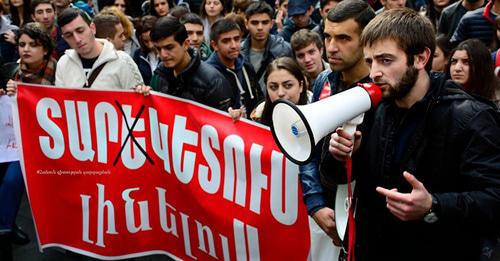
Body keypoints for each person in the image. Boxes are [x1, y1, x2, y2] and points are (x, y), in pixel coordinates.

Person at [321, 8, 500, 260]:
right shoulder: (373, 107)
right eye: (370, 61)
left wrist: (433, 205)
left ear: (420, 58)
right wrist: (342, 154)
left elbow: (493, 199)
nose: (374, 73)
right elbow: (334, 178)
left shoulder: (471, 117)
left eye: (386, 60)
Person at [301, 0, 375, 248]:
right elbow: (308, 146)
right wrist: (315, 203)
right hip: (328, 211)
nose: (331, 48)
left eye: (343, 38)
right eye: (328, 37)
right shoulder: (324, 80)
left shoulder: (383, 89)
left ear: (367, 41)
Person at [1, 22, 57, 261]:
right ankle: (8, 225)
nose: (26, 49)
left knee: (12, 183)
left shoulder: (59, 72)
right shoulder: (8, 71)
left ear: (45, 49)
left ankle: (3, 234)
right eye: (22, 44)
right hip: (9, 142)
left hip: (40, 146)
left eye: (33, 45)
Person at [149, 16, 236, 113]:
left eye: (169, 47)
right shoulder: (160, 75)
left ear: (186, 44)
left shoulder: (213, 81)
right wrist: (144, 96)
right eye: (158, 49)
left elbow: (224, 124)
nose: (163, 55)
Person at [56, 8, 143, 89]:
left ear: (92, 28)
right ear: (64, 39)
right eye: (69, 35)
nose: (77, 39)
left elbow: (137, 101)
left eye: (80, 31)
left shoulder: (123, 61)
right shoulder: (63, 64)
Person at [206, 18, 263, 114]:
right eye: (226, 41)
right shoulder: (207, 74)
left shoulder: (246, 66)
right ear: (214, 45)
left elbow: (258, 97)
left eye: (236, 39)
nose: (233, 45)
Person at [241, 1, 292, 90]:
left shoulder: (284, 49)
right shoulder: (238, 52)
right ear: (246, 24)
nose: (260, 27)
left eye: (264, 22)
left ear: (271, 24)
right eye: (254, 23)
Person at [250, 56, 308, 125]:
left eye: (288, 85)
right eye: (273, 87)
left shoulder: (316, 110)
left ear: (301, 86)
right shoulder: (258, 116)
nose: (280, 93)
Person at [447, 38, 500, 104]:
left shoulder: (496, 100)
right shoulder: (441, 96)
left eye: (466, 62)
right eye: (454, 62)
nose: (457, 68)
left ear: (481, 66)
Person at [133, 15, 159, 85]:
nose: (150, 45)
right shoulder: (138, 54)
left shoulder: (167, 52)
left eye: (152, 40)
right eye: (146, 41)